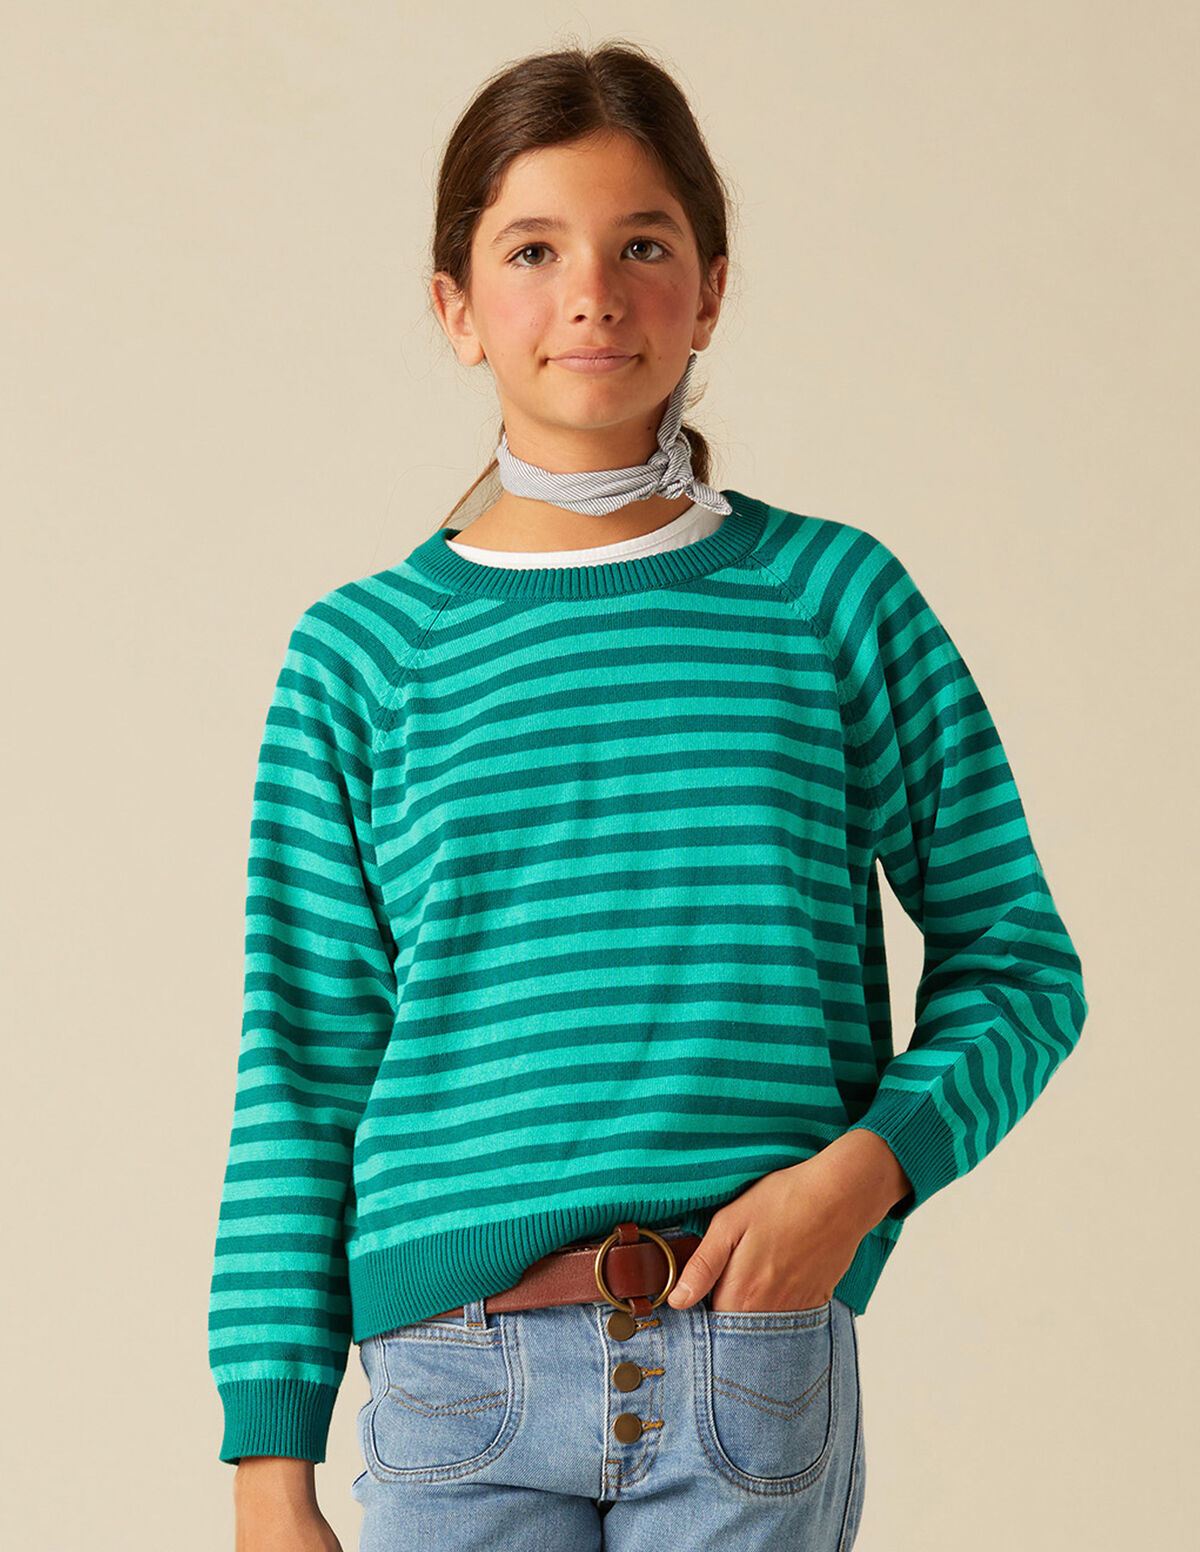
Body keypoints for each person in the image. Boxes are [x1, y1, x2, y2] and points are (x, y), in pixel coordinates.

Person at [209, 39, 1088, 1552]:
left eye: (642, 246)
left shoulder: (829, 601)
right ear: (455, 307)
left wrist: (858, 1182)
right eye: (532, 250)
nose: (593, 295)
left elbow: (1021, 967)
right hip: (450, 1383)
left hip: (751, 1357)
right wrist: (265, 1461)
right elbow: (300, 1068)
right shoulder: (361, 656)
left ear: (712, 288)